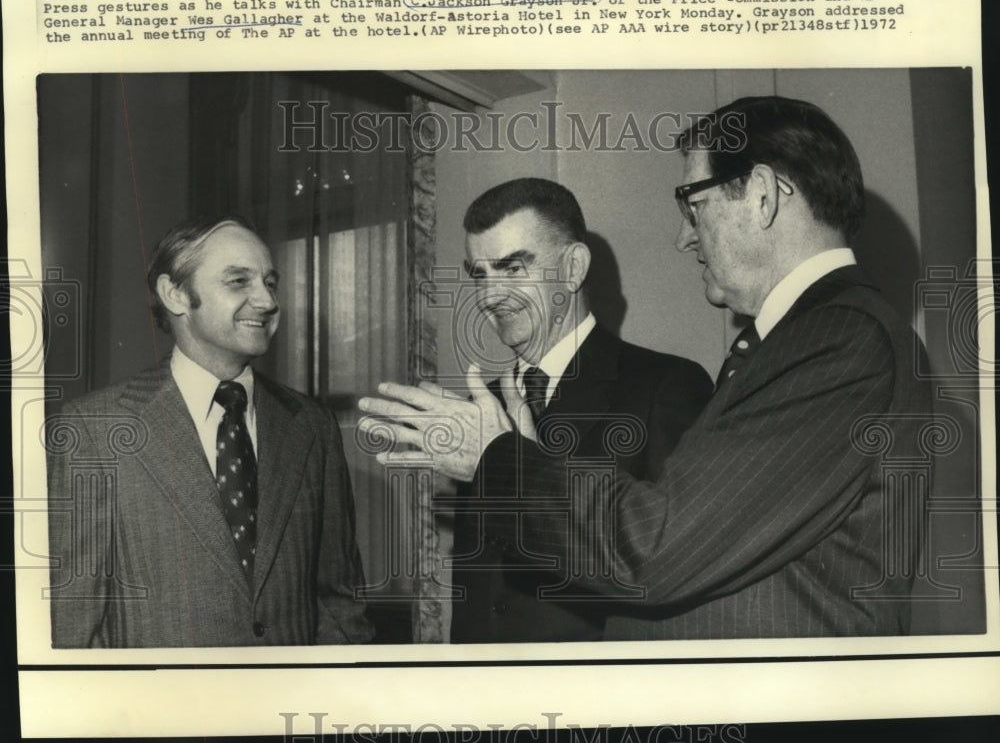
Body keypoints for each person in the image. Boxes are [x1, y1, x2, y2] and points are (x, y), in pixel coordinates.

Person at [359, 96, 935, 638]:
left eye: (693, 204)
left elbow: (654, 548)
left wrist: (497, 458)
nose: (685, 236)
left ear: (761, 194)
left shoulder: (837, 340)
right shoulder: (814, 338)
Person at [47, 216, 372, 647]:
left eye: (270, 282)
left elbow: (338, 603)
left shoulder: (311, 425)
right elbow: (73, 623)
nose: (267, 300)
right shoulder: (95, 429)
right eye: (239, 281)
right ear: (176, 295)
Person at [448, 178, 712, 643]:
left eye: (512, 269)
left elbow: (673, 567)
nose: (489, 296)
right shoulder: (481, 408)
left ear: (572, 268)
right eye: (479, 274)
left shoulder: (665, 387)